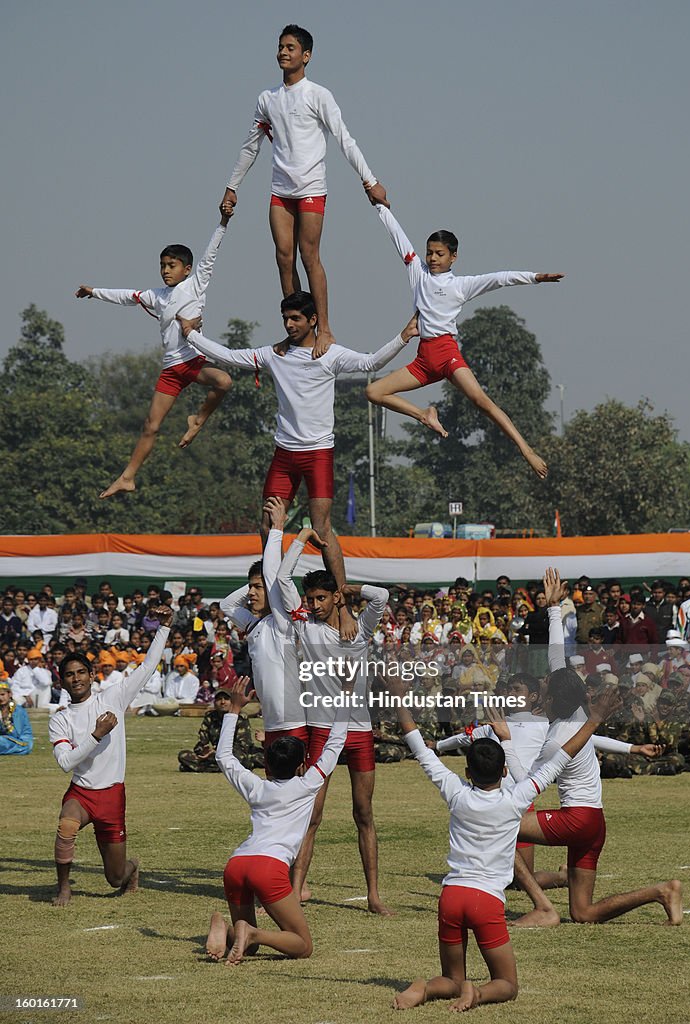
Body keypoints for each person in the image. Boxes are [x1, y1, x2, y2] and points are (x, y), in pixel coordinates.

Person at [181, 292, 416, 639]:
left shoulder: (329, 355)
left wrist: (403, 337)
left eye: (296, 319)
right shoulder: (274, 354)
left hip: (318, 454)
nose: (289, 325)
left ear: (312, 321)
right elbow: (229, 356)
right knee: (266, 523)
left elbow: (370, 363)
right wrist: (190, 335)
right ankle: (272, 602)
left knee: (322, 529)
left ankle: (344, 607)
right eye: (285, 319)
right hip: (284, 454)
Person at [390, 677, 618, 1012]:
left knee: (451, 979)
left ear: (467, 770)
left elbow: (420, 748)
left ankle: (425, 988)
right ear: (505, 770)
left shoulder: (455, 791)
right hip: (485, 902)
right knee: (506, 985)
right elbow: (560, 759)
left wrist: (399, 699)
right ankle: (478, 994)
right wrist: (594, 719)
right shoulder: (517, 797)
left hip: (451, 897)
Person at [510, 571, 682, 927]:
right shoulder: (575, 711)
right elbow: (558, 657)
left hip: (576, 820)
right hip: (595, 822)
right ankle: (662, 891)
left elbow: (528, 781)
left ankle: (542, 906)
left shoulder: (557, 737)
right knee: (583, 913)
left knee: (497, 823)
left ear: (554, 697)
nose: (541, 688)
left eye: (544, 688)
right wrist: (555, 608)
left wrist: (501, 751)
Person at [220, 23, 388, 354]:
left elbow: (344, 138)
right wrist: (231, 187)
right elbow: (250, 146)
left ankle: (324, 329)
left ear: (306, 56)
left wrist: (369, 181)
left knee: (309, 256)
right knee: (284, 258)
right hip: (280, 191)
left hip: (311, 187)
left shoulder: (318, 95)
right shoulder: (267, 99)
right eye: (280, 47)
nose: (283, 52)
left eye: (290, 48)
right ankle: (295, 329)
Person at [363, 198, 562, 477]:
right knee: (373, 392)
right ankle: (424, 415)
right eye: (430, 253)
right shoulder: (417, 272)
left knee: (482, 402)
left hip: (446, 354)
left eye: (440, 254)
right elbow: (397, 234)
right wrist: (379, 205)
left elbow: (500, 278)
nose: (432, 258)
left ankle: (526, 450)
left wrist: (536, 277)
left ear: (453, 257)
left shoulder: (461, 285)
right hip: (423, 359)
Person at [75, 209, 233, 498]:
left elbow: (211, 253)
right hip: (172, 369)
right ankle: (127, 477)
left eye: (171, 265)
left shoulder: (196, 285)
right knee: (151, 425)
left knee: (224, 381)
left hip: (194, 362)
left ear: (186, 269)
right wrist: (94, 291)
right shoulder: (156, 296)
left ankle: (197, 420)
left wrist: (223, 222)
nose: (165, 270)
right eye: (162, 265)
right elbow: (127, 296)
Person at [276, 525, 393, 915]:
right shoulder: (302, 625)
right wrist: (304, 534)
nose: (313, 604)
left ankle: (374, 895)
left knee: (364, 813)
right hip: (321, 731)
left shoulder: (357, 630)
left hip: (359, 732)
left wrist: (347, 597)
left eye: (321, 598)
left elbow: (383, 596)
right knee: (312, 816)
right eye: (311, 598)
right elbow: (280, 577)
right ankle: (294, 891)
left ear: (333, 596)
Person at [205, 675, 349, 964]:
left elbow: (224, 757)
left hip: (237, 864)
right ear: (302, 765)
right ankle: (250, 932)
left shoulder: (257, 787)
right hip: (269, 867)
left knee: (249, 947)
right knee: (302, 945)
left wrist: (234, 711)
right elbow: (336, 741)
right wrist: (344, 692)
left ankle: (233, 931)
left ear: (267, 764)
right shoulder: (308, 782)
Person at [48, 605, 172, 907]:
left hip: (112, 796)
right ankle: (64, 887)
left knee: (114, 877)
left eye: (80, 672)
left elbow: (147, 667)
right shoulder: (60, 719)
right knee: (66, 825)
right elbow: (66, 763)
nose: (76, 678)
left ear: (92, 674)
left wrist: (165, 627)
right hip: (81, 793)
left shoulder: (113, 697)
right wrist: (96, 735)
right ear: (61, 682)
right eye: (69, 675)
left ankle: (132, 869)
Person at [220, 498, 307, 771]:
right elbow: (226, 605)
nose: (253, 593)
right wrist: (253, 586)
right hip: (271, 724)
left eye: (259, 587)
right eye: (250, 588)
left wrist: (277, 529)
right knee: (273, 789)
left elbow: (272, 573)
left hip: (295, 723)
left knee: (301, 794)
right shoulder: (253, 625)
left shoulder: (282, 622)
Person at [178, 688, 264, 773]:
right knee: (183, 755)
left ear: (232, 702)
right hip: (214, 756)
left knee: (242, 758)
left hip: (235, 754)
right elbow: (201, 743)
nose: (222, 702)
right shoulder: (210, 717)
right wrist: (203, 751)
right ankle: (213, 767)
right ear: (214, 703)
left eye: (226, 699)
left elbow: (242, 746)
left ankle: (199, 767)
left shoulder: (240, 718)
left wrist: (215, 751)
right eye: (219, 699)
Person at [0, 678, 33, 755]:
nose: (0, 698)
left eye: (2, 694)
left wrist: (5, 722)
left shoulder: (18, 711)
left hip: (21, 743)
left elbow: (16, 734)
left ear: (9, 694)